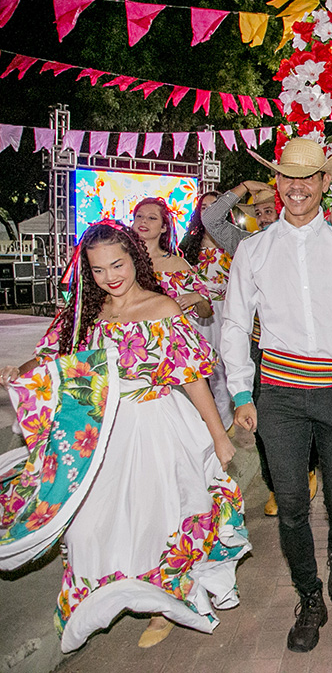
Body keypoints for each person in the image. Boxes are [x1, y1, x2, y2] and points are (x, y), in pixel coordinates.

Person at [0, 222, 247, 651]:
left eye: (118, 264)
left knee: (157, 520)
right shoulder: (85, 313)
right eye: (97, 270)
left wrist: (219, 436)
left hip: (156, 427)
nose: (110, 276)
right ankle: (102, 595)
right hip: (98, 436)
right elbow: (50, 360)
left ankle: (162, 605)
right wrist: (18, 372)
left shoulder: (162, 308)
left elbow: (193, 379)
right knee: (88, 528)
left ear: (135, 258)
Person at [221, 139, 332, 652]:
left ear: (325, 183)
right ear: (276, 183)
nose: (296, 187)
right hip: (278, 392)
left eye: (308, 178)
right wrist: (240, 392)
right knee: (293, 505)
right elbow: (235, 324)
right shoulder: (254, 248)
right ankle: (309, 595)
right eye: (287, 177)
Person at [200, 179, 318, 517]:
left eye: (270, 210)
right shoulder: (246, 243)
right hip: (257, 349)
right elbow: (210, 220)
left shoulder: (301, 244)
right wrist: (243, 187)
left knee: (304, 416)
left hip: (297, 350)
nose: (265, 217)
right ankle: (275, 486)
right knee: (262, 423)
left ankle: (308, 468)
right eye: (260, 212)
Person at [178, 192, 234, 429]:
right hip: (196, 315)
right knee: (197, 369)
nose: (210, 211)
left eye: (216, 206)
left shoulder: (235, 242)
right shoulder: (187, 246)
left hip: (226, 313)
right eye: (205, 207)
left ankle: (222, 425)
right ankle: (196, 425)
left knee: (223, 368)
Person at [131, 197, 213, 320]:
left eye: (152, 218)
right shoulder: (121, 261)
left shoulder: (178, 265)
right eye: (139, 216)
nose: (143, 221)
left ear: (163, 227)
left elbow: (206, 312)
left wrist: (198, 298)